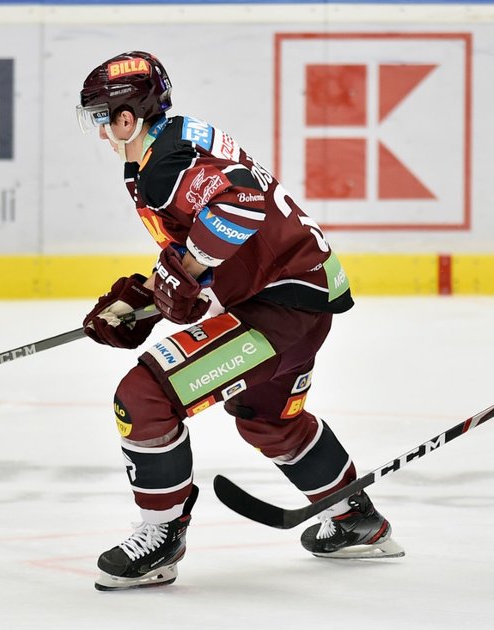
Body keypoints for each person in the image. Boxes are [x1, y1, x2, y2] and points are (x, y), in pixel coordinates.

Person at [75, 51, 403, 591]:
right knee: (268, 421)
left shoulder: (164, 163)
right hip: (298, 300)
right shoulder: (173, 144)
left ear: (127, 118)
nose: (102, 134)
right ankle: (354, 520)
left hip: (280, 312)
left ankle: (161, 538)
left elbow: (241, 205)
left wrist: (189, 269)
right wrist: (148, 297)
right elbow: (216, 238)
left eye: (100, 120)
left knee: (144, 398)